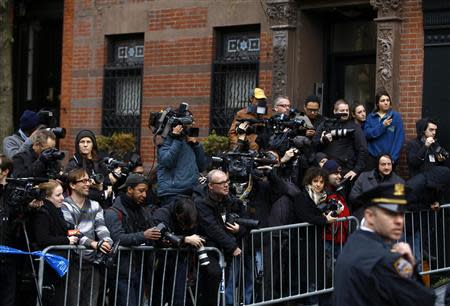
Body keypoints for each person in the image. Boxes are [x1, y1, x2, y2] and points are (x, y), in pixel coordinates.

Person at [333, 183, 436, 306]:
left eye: (401, 214)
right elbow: (424, 300)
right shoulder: (388, 260)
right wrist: (411, 265)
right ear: (370, 216)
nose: (399, 221)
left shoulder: (353, 242)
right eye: (391, 214)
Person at [193, 169, 250, 305]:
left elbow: (246, 219)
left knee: (223, 284)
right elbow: (212, 228)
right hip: (208, 248)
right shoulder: (201, 202)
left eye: (227, 181)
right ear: (211, 185)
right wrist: (232, 246)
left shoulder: (229, 199)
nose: (226, 185)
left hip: (224, 249)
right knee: (211, 280)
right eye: (221, 182)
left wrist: (239, 229)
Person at [151, 196, 220, 306]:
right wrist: (186, 239)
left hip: (181, 261)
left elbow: (206, 234)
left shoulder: (194, 213)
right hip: (162, 262)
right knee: (159, 296)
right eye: (184, 225)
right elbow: (158, 238)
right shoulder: (162, 215)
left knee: (179, 296)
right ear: (178, 216)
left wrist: (197, 239)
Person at [104, 173, 160, 306]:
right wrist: (144, 235)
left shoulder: (143, 211)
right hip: (121, 272)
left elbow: (151, 230)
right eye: (141, 191)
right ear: (129, 189)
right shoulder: (113, 212)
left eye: (146, 191)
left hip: (140, 270)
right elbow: (117, 238)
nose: (144, 195)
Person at [61, 168, 113, 306]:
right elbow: (71, 231)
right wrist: (93, 244)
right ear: (72, 185)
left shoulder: (95, 205)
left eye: (88, 180)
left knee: (91, 302)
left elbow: (101, 228)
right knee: (72, 301)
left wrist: (107, 241)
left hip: (93, 262)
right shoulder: (65, 205)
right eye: (83, 181)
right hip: (73, 261)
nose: (88, 184)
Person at [32, 180, 79, 306]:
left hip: (58, 264)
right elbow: (43, 239)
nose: (62, 198)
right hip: (48, 267)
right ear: (47, 197)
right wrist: (66, 240)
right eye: (58, 195)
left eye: (62, 194)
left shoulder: (57, 211)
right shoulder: (43, 213)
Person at [157, 105, 207, 206]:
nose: (193, 124)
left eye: (192, 121)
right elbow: (167, 161)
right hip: (173, 193)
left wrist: (196, 145)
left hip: (191, 192)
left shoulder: (189, 139)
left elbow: (202, 166)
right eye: (189, 121)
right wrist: (177, 139)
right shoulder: (167, 139)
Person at [313, 99, 368, 181]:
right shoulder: (326, 124)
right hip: (325, 170)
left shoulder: (354, 127)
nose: (345, 112)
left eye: (347, 110)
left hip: (344, 171)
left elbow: (363, 149)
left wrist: (355, 170)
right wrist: (322, 140)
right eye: (342, 110)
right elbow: (314, 144)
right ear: (335, 111)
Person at [406, 118, 450, 210]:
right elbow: (414, 163)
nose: (434, 133)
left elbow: (436, 168)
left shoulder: (435, 145)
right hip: (420, 190)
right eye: (431, 130)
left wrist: (441, 160)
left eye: (435, 130)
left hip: (433, 191)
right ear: (423, 130)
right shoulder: (413, 144)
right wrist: (425, 146)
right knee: (419, 221)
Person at [65, 129, 116, 206]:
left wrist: (100, 186)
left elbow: (108, 184)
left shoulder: (99, 162)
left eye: (88, 142)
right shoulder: (74, 163)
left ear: (93, 144)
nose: (85, 145)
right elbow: (76, 189)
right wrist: (102, 193)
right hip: (82, 205)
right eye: (82, 142)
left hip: (103, 205)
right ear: (78, 145)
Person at [364, 90, 405, 169]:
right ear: (377, 104)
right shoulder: (371, 117)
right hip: (373, 157)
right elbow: (367, 134)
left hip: (389, 160)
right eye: (382, 101)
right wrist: (382, 126)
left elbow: (399, 139)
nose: (386, 102)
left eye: (388, 100)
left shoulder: (396, 117)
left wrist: (392, 158)